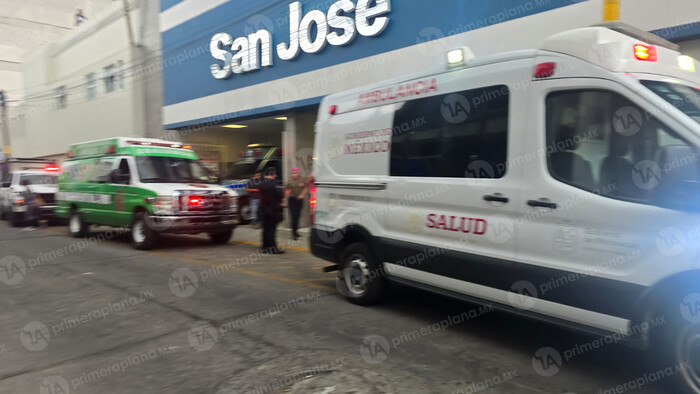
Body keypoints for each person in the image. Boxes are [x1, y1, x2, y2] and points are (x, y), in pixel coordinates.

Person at [258, 168, 285, 254]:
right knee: (272, 230)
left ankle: (264, 247)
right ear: (272, 174)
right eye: (274, 174)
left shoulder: (261, 184)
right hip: (273, 210)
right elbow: (281, 194)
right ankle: (272, 248)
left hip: (263, 209)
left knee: (265, 229)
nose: (275, 176)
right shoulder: (274, 184)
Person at [284, 168, 307, 241]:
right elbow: (287, 191)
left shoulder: (302, 180)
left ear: (298, 174)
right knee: (293, 217)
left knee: (297, 216)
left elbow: (306, 188)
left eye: (295, 173)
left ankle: (296, 231)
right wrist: (285, 200)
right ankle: (293, 234)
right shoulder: (289, 181)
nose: (294, 175)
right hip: (292, 200)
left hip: (299, 200)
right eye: (292, 173)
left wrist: (302, 194)